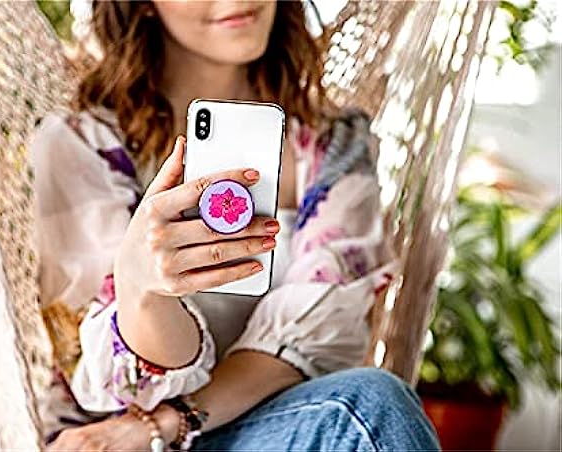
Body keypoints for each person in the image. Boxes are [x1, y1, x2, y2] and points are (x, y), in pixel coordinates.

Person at [28, 1, 440, 450]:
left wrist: (171, 423)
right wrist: (144, 291)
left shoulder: (333, 144)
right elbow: (106, 376)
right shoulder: (82, 147)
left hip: (272, 424)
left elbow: (319, 332)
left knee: (371, 404)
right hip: (110, 438)